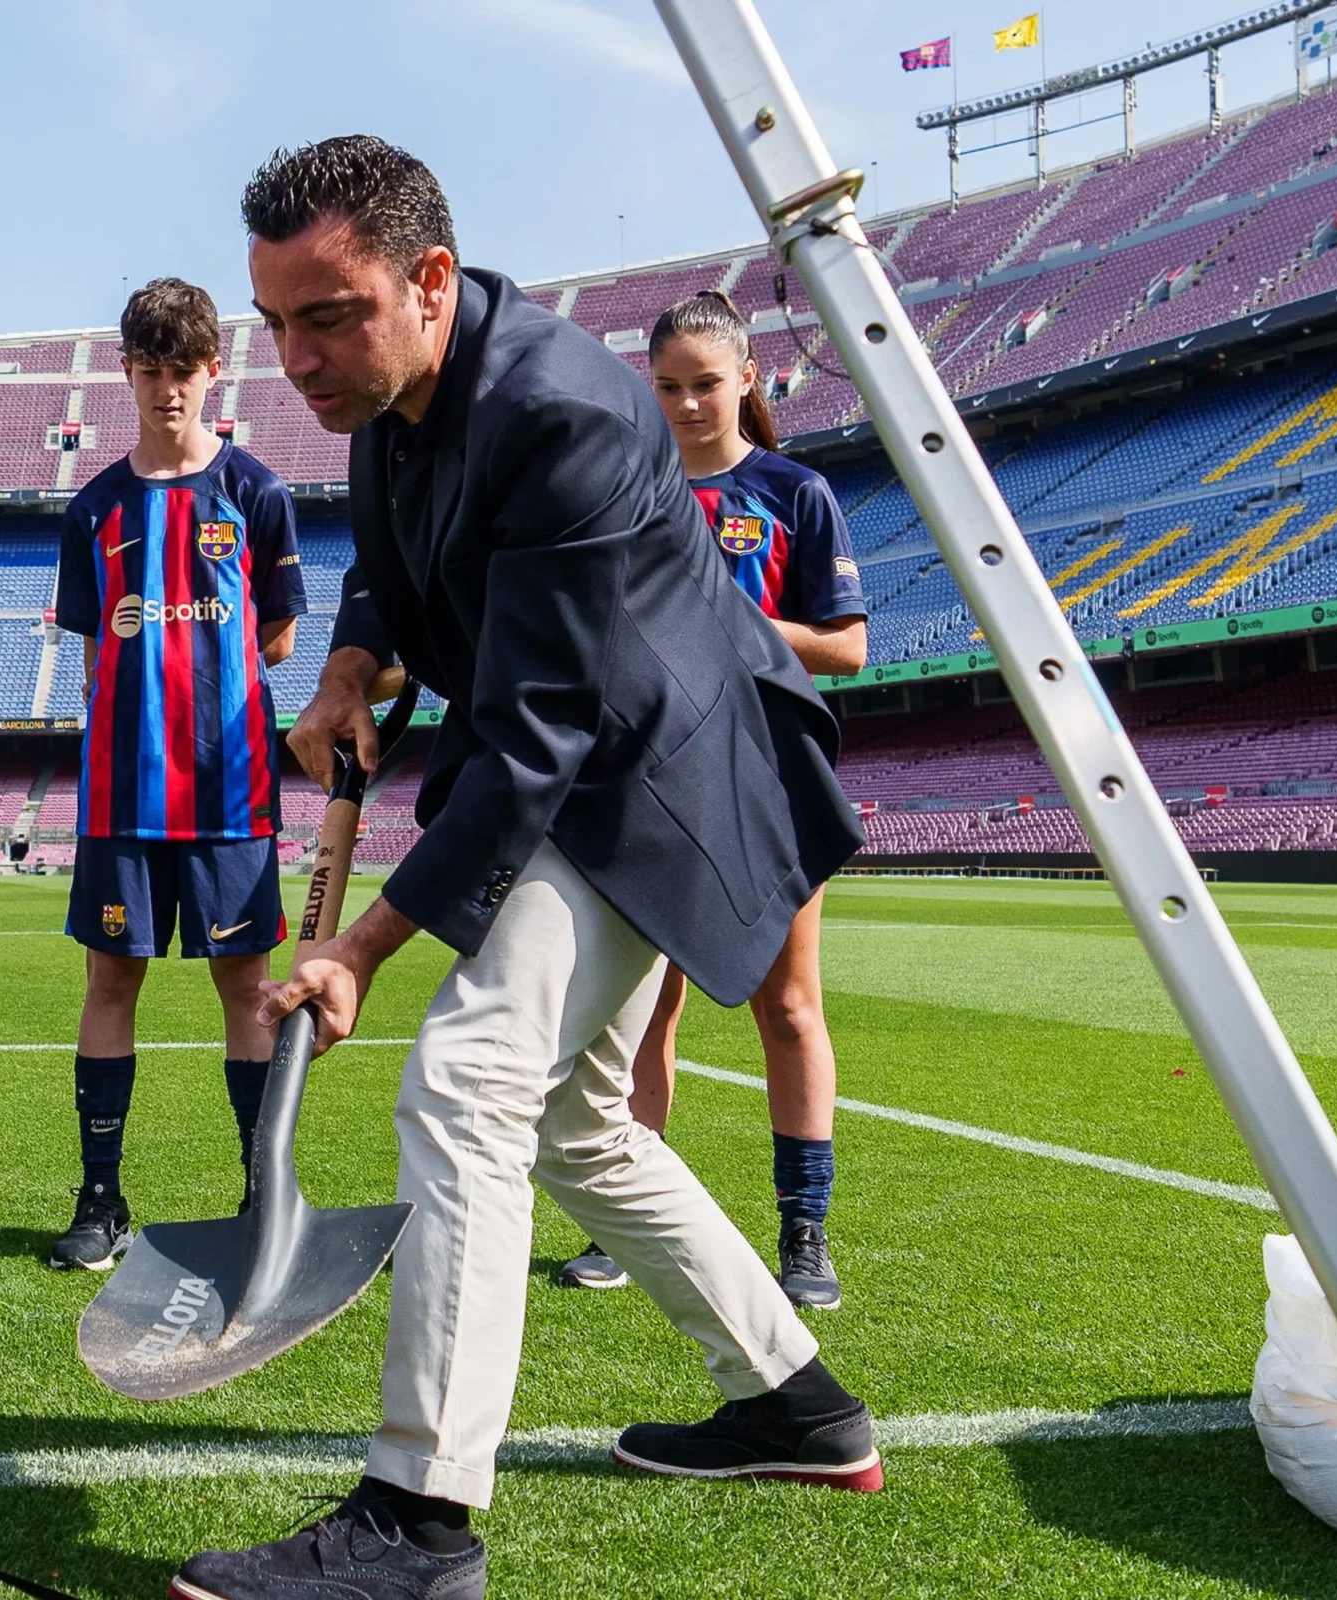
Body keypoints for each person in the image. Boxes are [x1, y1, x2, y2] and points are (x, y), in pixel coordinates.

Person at [168, 137, 878, 1600]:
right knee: (577, 1122)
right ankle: (798, 1404)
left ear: (429, 281)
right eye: (279, 322)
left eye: (330, 315)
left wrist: (358, 948)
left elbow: (539, 745)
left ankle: (418, 1526)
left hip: (669, 783)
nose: (297, 358)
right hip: (593, 762)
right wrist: (352, 661)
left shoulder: (564, 412)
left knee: (470, 1075)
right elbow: (391, 561)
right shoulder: (386, 397)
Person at [558, 290, 868, 1310]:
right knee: (646, 1015)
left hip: (771, 776)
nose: (689, 404)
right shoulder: (625, 494)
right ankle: (623, 1220)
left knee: (787, 1004)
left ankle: (804, 1229)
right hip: (655, 781)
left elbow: (848, 644)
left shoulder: (795, 491)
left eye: (705, 383)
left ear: (747, 378)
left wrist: (729, 622)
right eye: (669, 387)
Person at [47, 278, 305, 1272]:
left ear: (211, 372)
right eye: (148, 371)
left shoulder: (255, 495)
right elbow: (88, 652)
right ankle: (101, 1200)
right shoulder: (94, 508)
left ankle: (259, 1194)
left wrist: (201, 648)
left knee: (245, 984)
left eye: (182, 372)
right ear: (127, 373)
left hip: (231, 790)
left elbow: (275, 638)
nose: (166, 390)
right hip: (121, 792)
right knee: (112, 976)